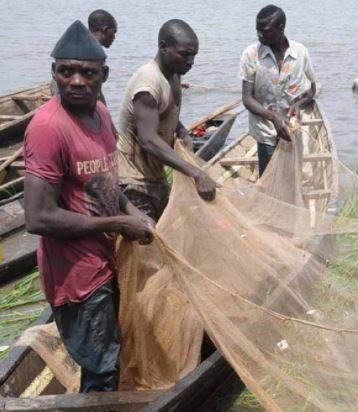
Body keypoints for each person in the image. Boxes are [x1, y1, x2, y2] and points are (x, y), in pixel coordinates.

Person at [24, 20, 154, 393]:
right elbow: (38, 217)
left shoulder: (100, 114)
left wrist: (130, 211)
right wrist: (116, 222)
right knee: (102, 369)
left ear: (104, 76)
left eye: (87, 73)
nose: (76, 81)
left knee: (111, 353)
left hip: (106, 258)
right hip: (78, 276)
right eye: (66, 71)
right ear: (54, 73)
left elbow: (105, 182)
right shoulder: (49, 127)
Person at [117, 19, 217, 221]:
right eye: (185, 55)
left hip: (156, 176)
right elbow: (148, 140)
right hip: (134, 181)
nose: (191, 62)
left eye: (194, 56)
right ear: (163, 47)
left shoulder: (174, 74)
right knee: (145, 245)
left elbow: (166, 113)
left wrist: (181, 131)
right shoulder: (148, 83)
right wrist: (196, 173)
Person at [240, 4, 317, 176]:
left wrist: (298, 106)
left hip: (292, 130)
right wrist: (274, 117)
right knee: (269, 181)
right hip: (266, 131)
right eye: (257, 30)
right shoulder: (251, 54)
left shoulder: (300, 53)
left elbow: (312, 90)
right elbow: (246, 98)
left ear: (281, 28)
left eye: (265, 31)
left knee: (292, 177)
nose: (260, 35)